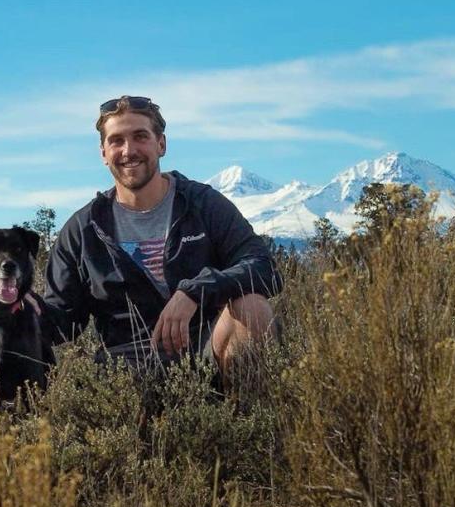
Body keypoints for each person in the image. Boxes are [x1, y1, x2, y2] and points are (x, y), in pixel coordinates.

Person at [42, 95, 280, 374]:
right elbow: (61, 323)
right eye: (116, 140)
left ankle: (245, 414)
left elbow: (263, 267)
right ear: (104, 153)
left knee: (252, 306)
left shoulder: (202, 204)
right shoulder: (84, 229)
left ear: (161, 144)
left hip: (207, 353)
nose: (129, 150)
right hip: (125, 373)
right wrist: (5, 304)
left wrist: (194, 291)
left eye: (140, 136)